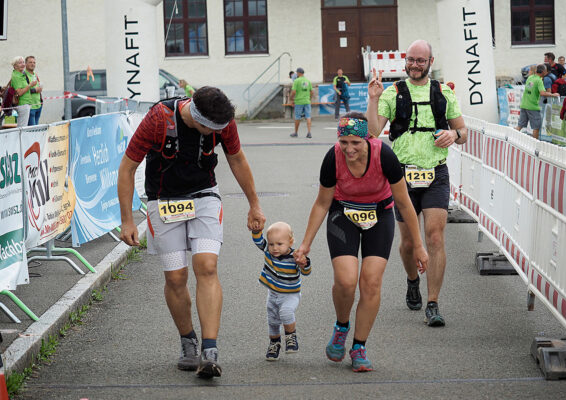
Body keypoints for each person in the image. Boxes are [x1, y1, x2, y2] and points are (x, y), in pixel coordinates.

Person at [117, 86, 266, 379]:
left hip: (205, 196)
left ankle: (210, 350)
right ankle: (188, 340)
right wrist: (127, 221)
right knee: (176, 277)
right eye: (210, 128)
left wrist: (254, 205)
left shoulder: (223, 120)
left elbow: (236, 158)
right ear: (197, 117)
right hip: (164, 200)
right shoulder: (159, 119)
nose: (217, 133)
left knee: (207, 266)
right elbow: (127, 167)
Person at [295, 112, 429, 372]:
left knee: (371, 282)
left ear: (367, 138)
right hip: (342, 214)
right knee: (346, 281)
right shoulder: (333, 157)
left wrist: (419, 245)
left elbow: (404, 202)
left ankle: (359, 347)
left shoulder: (385, 156)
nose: (349, 148)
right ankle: (341, 326)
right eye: (344, 142)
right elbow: (322, 203)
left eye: (355, 142)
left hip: (379, 215)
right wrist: (305, 244)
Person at [366, 39, 467, 327]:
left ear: (430, 62)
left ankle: (433, 302)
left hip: (435, 173)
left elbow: (462, 131)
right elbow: (373, 133)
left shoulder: (444, 92)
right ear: (405, 61)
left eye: (420, 60)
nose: (414, 65)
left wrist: (454, 136)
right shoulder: (392, 92)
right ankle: (412, 280)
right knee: (409, 242)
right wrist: (373, 99)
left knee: (435, 237)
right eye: (410, 59)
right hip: (401, 176)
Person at [252, 221, 311, 361]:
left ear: (290, 242)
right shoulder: (268, 251)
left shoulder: (295, 257)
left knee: (286, 312)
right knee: (272, 321)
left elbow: (307, 272)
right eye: (271, 244)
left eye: (280, 244)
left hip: (291, 295)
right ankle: (274, 343)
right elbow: (258, 241)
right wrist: (256, 231)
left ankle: (291, 336)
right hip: (273, 294)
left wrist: (304, 264)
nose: (274, 248)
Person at [516, 64, 559, 139]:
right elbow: (542, 93)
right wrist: (553, 95)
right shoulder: (539, 80)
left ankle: (511, 138)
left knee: (520, 125)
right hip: (533, 106)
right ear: (544, 71)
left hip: (524, 104)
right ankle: (535, 145)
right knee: (536, 127)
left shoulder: (530, 77)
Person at [10, 56, 37, 127]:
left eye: (23, 62)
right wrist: (30, 85)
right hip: (22, 104)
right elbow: (19, 93)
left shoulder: (21, 74)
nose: (23, 64)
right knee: (22, 128)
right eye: (20, 63)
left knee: (23, 127)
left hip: (25, 103)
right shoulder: (16, 76)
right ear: (15, 66)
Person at [289, 67, 313, 138]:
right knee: (308, 116)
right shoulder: (308, 81)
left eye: (297, 73)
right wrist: (309, 98)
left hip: (299, 101)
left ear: (299, 73)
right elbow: (311, 92)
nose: (296, 74)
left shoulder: (296, 81)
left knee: (297, 117)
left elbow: (293, 92)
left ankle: (296, 132)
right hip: (307, 101)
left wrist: (291, 99)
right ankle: (309, 132)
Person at [25, 56, 43, 126]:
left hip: (38, 105)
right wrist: (35, 90)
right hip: (30, 107)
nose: (32, 64)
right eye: (30, 62)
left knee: (36, 130)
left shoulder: (35, 74)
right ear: (26, 64)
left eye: (34, 62)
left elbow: (38, 87)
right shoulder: (24, 75)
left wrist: (40, 88)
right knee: (32, 131)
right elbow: (22, 91)